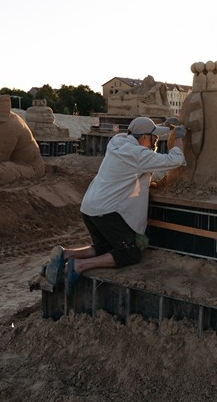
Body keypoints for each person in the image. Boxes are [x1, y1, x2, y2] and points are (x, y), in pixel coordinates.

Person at [45, 116, 187, 292]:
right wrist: (179, 137)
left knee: (104, 247)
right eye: (154, 137)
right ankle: (78, 266)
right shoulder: (138, 155)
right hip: (107, 212)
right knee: (130, 253)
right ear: (143, 137)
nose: (156, 141)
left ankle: (66, 254)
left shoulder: (117, 141)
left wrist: (164, 127)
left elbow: (141, 132)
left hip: (90, 207)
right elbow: (175, 159)